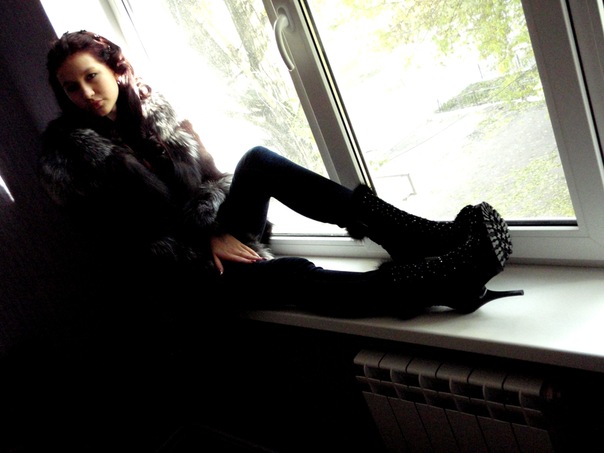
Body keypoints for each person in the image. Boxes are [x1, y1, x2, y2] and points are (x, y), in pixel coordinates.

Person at [38, 30, 522, 318]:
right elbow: (124, 243)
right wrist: (204, 240)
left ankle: (414, 236)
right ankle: (442, 284)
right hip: (181, 275)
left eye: (91, 76)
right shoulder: (69, 159)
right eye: (71, 88)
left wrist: (215, 228)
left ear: (115, 70)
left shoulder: (156, 113)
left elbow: (215, 180)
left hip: (213, 235)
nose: (86, 93)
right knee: (291, 276)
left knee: (258, 160)